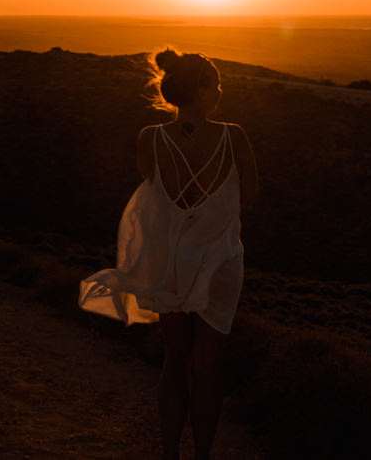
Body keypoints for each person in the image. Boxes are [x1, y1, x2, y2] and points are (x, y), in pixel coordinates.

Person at [79, 48, 259, 460]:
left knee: (175, 361)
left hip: (170, 263)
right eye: (214, 84)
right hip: (219, 261)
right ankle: (202, 456)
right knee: (209, 366)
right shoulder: (234, 136)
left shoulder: (149, 138)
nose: (219, 91)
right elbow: (248, 198)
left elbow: (153, 194)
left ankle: (168, 454)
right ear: (199, 89)